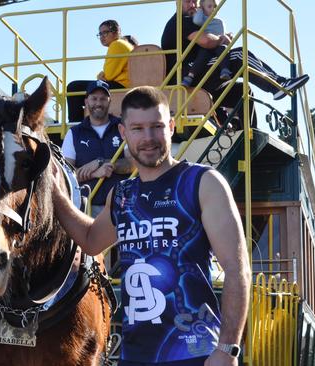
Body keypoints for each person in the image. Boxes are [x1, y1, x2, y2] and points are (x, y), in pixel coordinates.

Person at [52, 86, 251, 365]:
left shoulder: (202, 182)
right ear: (123, 133)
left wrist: (228, 348)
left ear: (171, 127)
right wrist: (54, 192)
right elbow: (89, 239)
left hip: (195, 351)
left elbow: (236, 268)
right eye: (137, 128)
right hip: (136, 355)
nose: (148, 138)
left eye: (156, 126)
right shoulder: (121, 195)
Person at [162, 0, 309, 127]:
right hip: (186, 78)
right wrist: (222, 39)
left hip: (200, 76)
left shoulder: (192, 20)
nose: (193, 5)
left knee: (243, 91)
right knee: (239, 55)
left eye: (194, 1)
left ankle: (248, 136)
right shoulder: (180, 21)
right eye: (188, 1)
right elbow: (206, 41)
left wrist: (220, 39)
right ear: (177, 3)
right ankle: (277, 85)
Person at [61, 79, 133, 217]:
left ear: (109, 101)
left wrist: (103, 162)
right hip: (87, 209)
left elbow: (132, 164)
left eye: (103, 99)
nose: (98, 103)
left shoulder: (123, 127)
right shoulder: (74, 133)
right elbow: (66, 176)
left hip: (123, 207)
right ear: (86, 102)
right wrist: (95, 173)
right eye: (94, 99)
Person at [67, 20, 136, 122]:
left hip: (121, 85)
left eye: (105, 32)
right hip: (124, 84)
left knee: (74, 87)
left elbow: (108, 75)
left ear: (116, 32)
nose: (102, 36)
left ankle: (76, 123)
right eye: (100, 34)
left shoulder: (117, 44)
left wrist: (101, 75)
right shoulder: (123, 44)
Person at [181, 0, 232, 86]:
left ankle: (225, 70)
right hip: (206, 47)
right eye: (209, 6)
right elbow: (197, 21)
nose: (213, 9)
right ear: (202, 8)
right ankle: (190, 77)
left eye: (214, 6)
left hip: (217, 46)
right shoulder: (202, 19)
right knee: (201, 57)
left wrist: (226, 37)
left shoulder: (219, 22)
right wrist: (200, 10)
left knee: (223, 49)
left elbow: (222, 35)